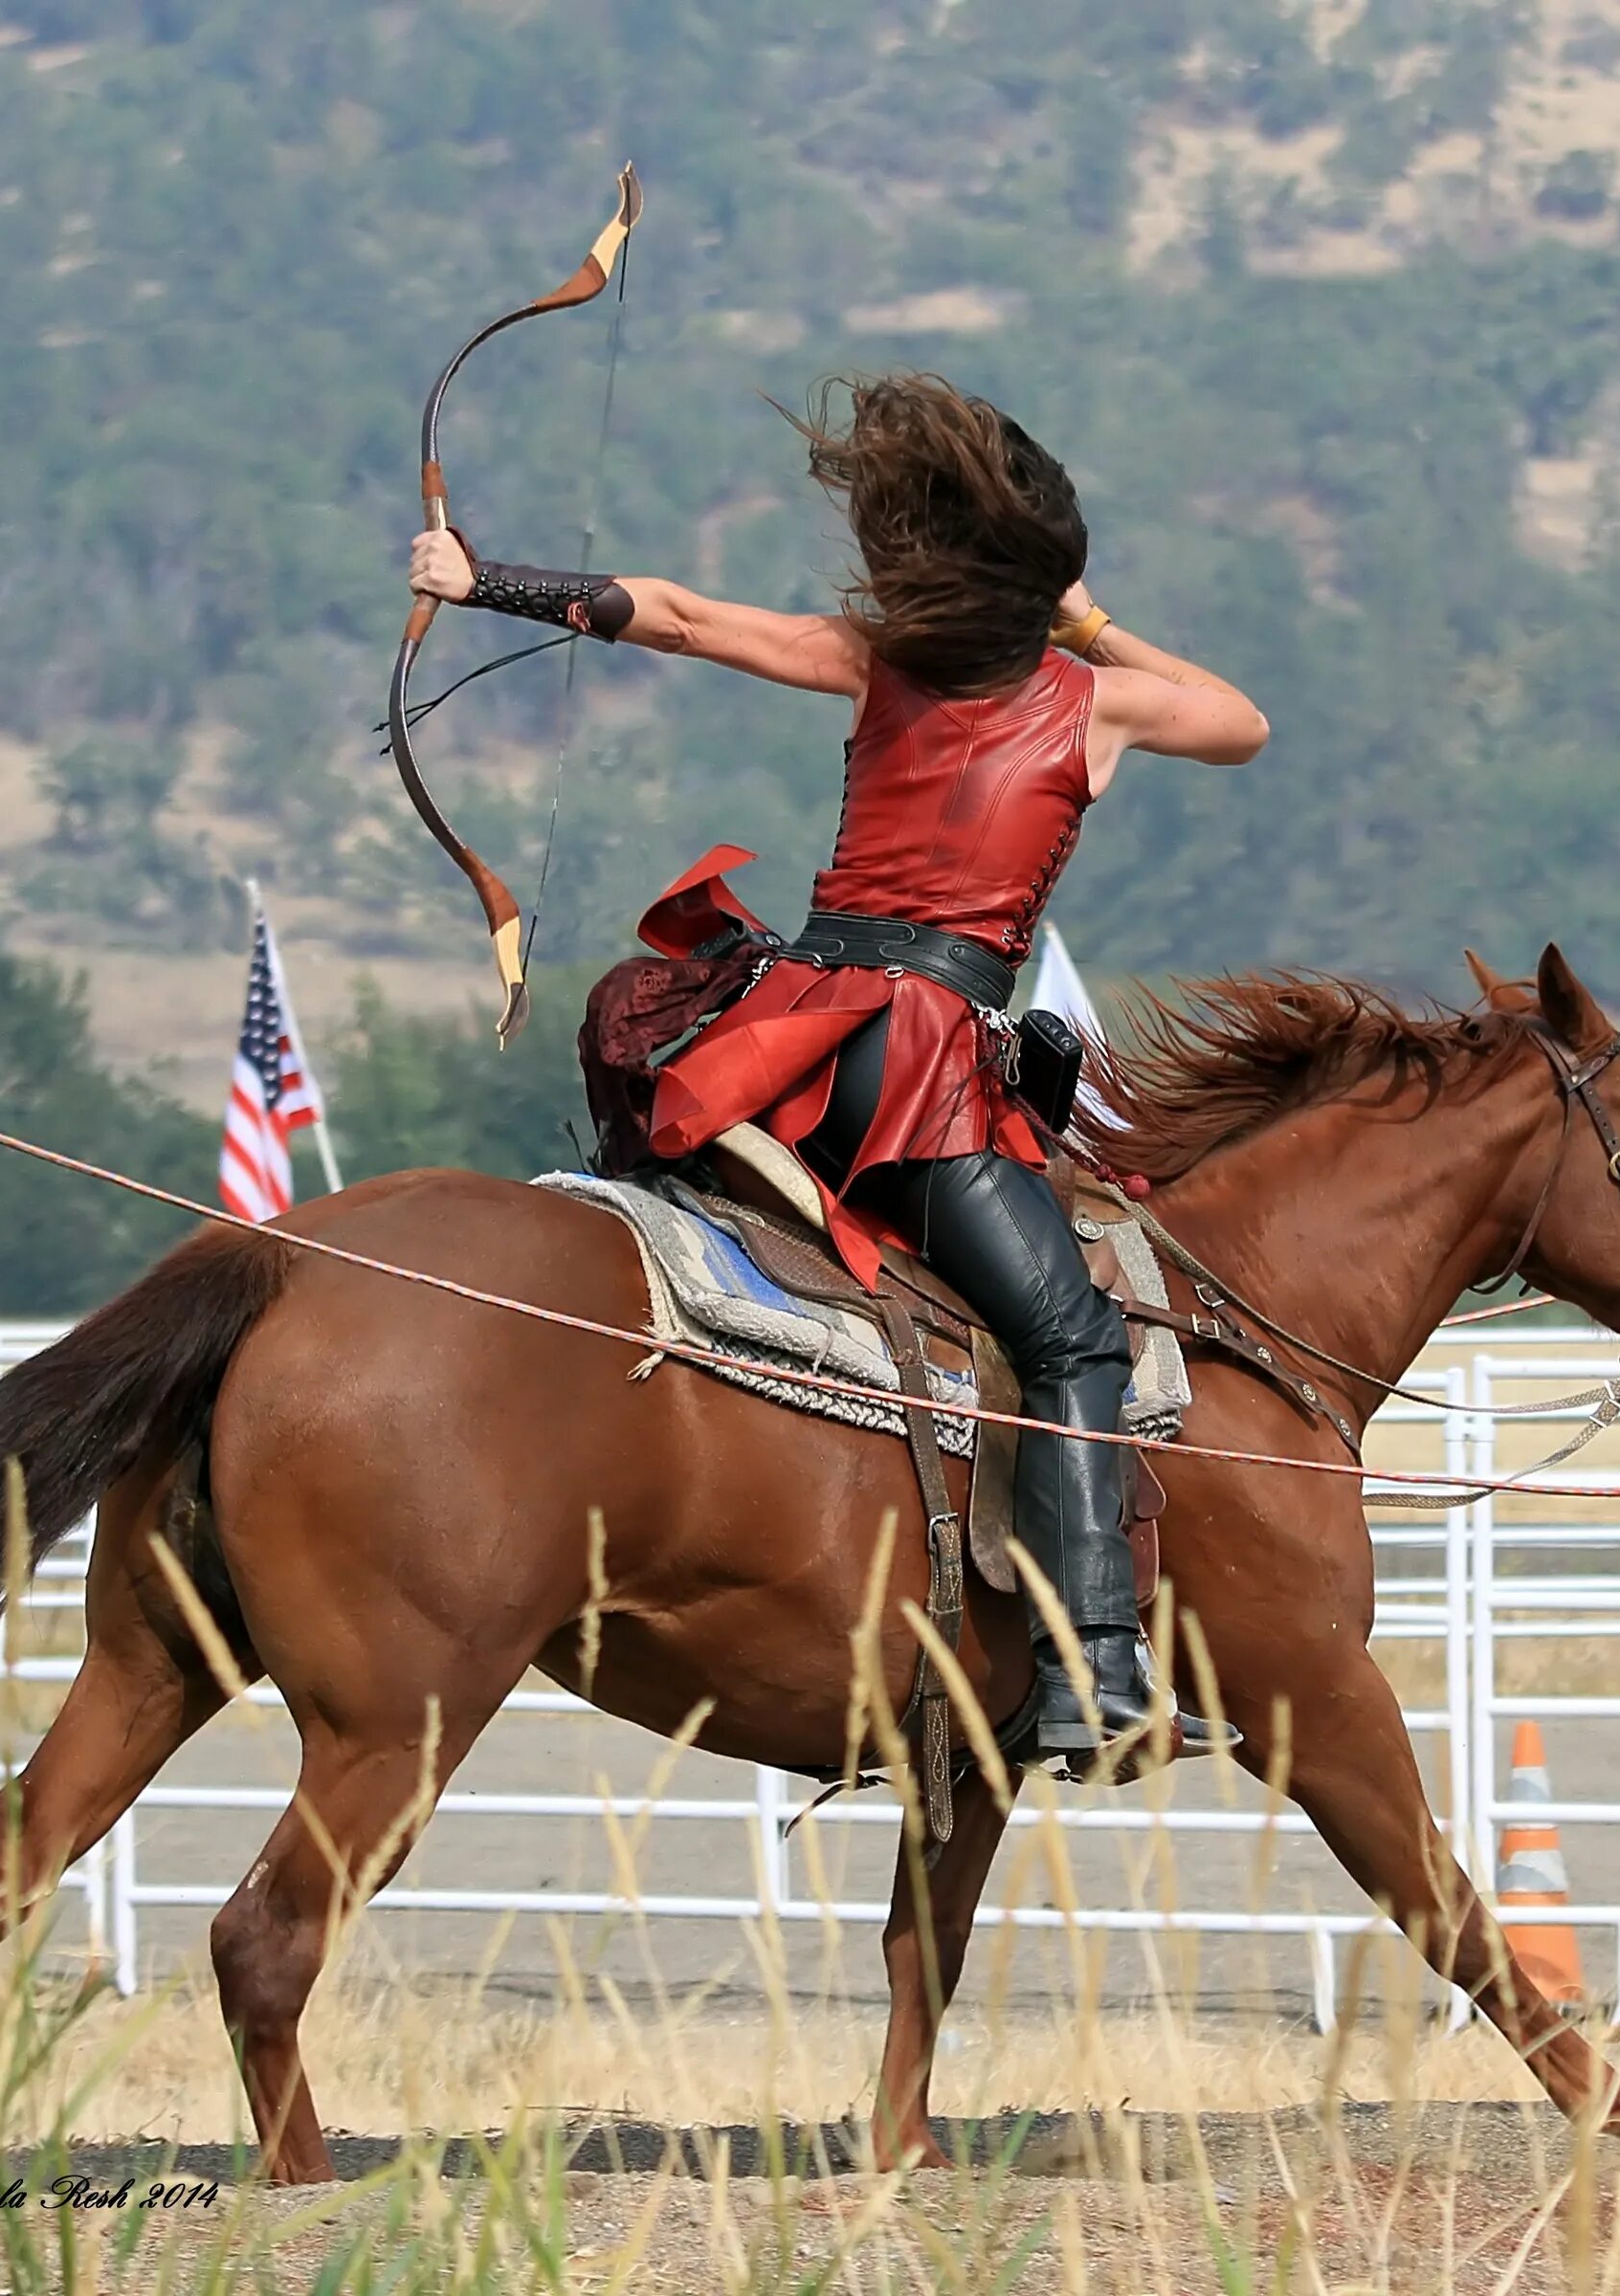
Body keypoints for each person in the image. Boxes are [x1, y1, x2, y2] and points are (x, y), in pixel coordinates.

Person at [407, 373, 1268, 1773]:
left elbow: (681, 617)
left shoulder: (878, 664)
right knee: (1071, 1339)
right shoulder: (1095, 705)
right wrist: (1089, 620)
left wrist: (480, 577)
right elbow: (1239, 719)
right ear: (1043, 580)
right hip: (920, 1069)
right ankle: (1094, 1677)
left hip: (784, 1038)